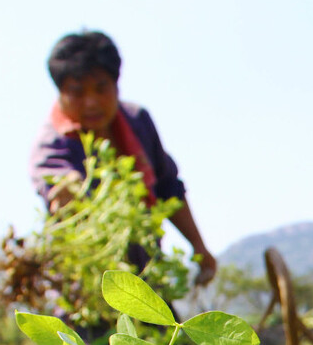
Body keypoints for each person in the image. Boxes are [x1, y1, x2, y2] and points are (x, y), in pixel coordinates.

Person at [29, 30, 217, 288]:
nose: (91, 102)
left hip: (147, 277)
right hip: (88, 286)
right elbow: (59, 187)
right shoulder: (52, 145)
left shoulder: (136, 121)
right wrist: (69, 190)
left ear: (116, 85)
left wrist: (199, 247)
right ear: (60, 93)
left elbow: (167, 188)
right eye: (77, 91)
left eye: (101, 88)